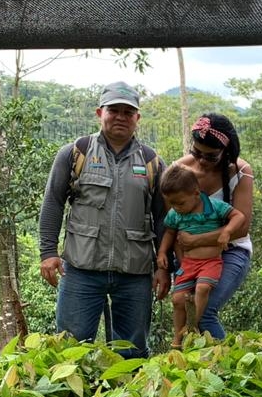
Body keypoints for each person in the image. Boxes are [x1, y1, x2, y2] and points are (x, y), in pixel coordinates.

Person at [37, 82, 167, 358]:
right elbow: (52, 204)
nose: (120, 117)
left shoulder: (152, 162)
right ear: (99, 113)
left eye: (128, 112)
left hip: (135, 273)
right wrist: (48, 253)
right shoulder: (75, 153)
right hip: (81, 270)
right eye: (113, 110)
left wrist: (165, 267)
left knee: (131, 354)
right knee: (70, 351)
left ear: (137, 118)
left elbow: (163, 219)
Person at [171, 114, 255, 339]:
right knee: (182, 307)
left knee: (204, 313)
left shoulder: (240, 172)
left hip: (232, 250)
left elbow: (242, 227)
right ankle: (188, 367)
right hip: (190, 256)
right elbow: (170, 223)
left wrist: (196, 240)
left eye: (211, 156)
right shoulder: (179, 170)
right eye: (197, 152)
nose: (202, 161)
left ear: (225, 152)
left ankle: (226, 371)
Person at [156, 165, 247, 347]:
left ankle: (192, 325)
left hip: (211, 262)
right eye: (172, 204)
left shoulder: (214, 206)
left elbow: (239, 216)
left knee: (203, 288)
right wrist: (162, 253)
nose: (176, 208)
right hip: (188, 263)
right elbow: (169, 232)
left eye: (180, 203)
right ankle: (177, 338)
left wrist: (227, 231)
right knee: (177, 299)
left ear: (196, 193)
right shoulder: (176, 214)